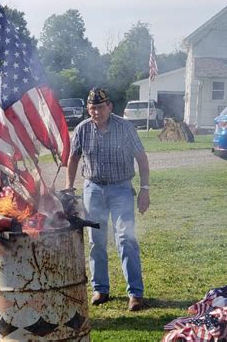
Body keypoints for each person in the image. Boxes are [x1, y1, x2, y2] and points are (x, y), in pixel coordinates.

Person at [65, 87, 150, 312]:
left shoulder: (125, 127)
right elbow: (73, 159)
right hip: (93, 189)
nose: (96, 112)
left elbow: (141, 158)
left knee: (126, 238)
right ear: (88, 109)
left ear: (109, 107)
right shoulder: (82, 129)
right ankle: (100, 289)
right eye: (92, 108)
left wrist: (145, 189)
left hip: (121, 189)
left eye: (100, 107)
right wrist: (68, 186)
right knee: (96, 240)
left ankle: (135, 293)